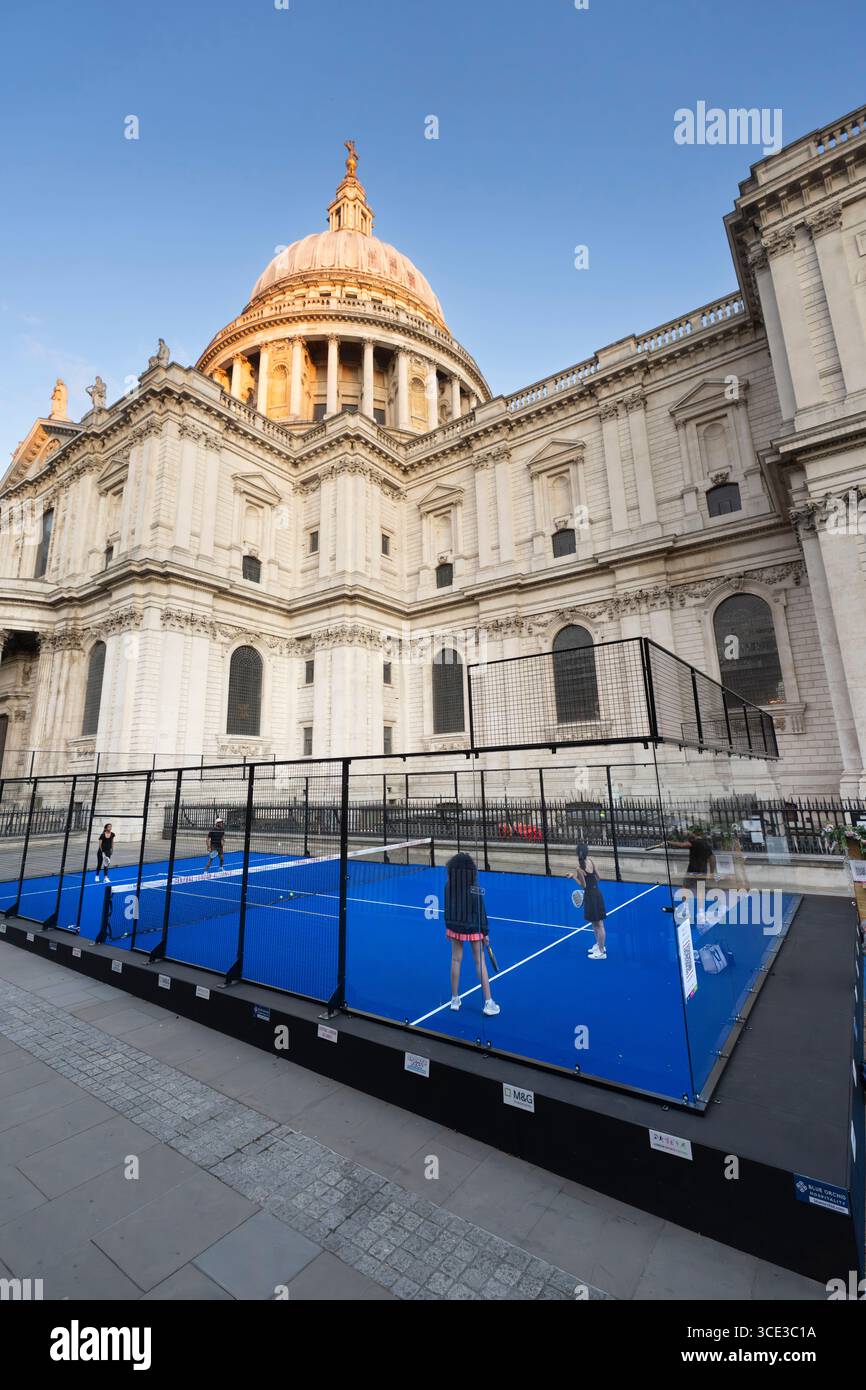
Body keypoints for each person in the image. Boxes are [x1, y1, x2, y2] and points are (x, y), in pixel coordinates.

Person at [444, 852, 500, 1016]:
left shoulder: (448, 885)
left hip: (455, 926)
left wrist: (448, 927)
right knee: (479, 963)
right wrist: (485, 932)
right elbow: (480, 909)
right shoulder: (474, 886)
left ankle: (454, 999)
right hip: (474, 928)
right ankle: (488, 1002)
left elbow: (447, 907)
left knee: (455, 960)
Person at [667, 827, 716, 923]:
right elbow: (712, 859)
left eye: (692, 832)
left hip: (692, 870)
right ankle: (701, 913)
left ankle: (685, 908)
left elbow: (681, 845)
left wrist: (669, 842)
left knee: (685, 887)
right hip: (703, 870)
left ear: (695, 834)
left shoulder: (694, 842)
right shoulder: (707, 845)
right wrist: (712, 872)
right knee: (701, 890)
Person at [569, 842, 608, 959]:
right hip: (597, 893)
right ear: (586, 852)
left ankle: (601, 951)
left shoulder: (579, 868)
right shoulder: (591, 861)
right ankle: (599, 945)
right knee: (595, 923)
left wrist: (573, 877)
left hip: (590, 896)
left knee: (599, 924)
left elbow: (583, 885)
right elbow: (599, 877)